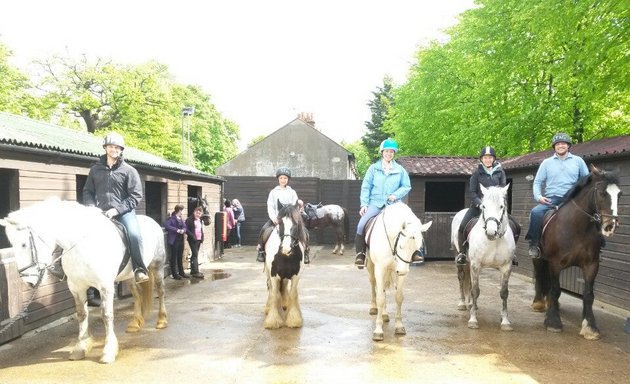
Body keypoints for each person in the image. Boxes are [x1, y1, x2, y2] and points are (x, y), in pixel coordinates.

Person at [83, 132, 148, 284]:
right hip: (101, 212)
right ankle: (65, 267)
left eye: (118, 148)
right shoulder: (95, 170)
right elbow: (87, 191)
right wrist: (92, 206)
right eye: (112, 147)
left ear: (121, 150)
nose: (114, 150)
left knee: (134, 234)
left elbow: (136, 195)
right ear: (105, 148)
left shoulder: (129, 171)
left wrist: (117, 210)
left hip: (124, 212)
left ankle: (139, 269)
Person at [354, 138, 421, 269]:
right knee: (361, 225)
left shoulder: (400, 170)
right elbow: (366, 186)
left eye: (391, 152)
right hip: (375, 203)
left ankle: (415, 252)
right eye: (387, 151)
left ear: (394, 154)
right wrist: (364, 204)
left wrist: (395, 195)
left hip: (394, 204)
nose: (389, 154)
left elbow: (406, 186)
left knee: (413, 222)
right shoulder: (373, 169)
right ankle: (360, 254)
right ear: (382, 152)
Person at [525, 132, 589, 259]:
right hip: (552, 199)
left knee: (592, 213)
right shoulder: (546, 163)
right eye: (558, 144)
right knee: (535, 213)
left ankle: (595, 246)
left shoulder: (578, 161)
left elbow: (586, 180)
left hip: (572, 199)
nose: (561, 146)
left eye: (563, 144)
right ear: (554, 147)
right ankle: (534, 244)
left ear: (568, 146)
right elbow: (537, 182)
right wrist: (539, 197)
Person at [455, 146, 521, 265]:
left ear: (493, 159)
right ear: (481, 159)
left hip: (495, 209)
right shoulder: (476, 174)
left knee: (516, 226)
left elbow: (502, 190)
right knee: (462, 226)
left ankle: (512, 253)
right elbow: (473, 192)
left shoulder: (500, 172)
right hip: (478, 207)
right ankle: (462, 253)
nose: (487, 160)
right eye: (485, 157)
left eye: (490, 157)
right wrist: (479, 204)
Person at [256, 167, 309, 264]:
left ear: (288, 179)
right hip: (277, 218)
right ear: (278, 179)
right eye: (281, 178)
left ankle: (305, 251)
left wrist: (294, 217)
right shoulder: (273, 192)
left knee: (304, 231)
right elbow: (270, 206)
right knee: (264, 229)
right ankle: (261, 251)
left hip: (290, 219)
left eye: (285, 178)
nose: (283, 180)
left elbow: (295, 205)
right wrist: (273, 218)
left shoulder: (292, 192)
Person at [164, 204, 188, 280]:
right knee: (174, 257)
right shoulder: (171, 219)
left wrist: (183, 230)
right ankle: (174, 274)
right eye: (183, 210)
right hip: (174, 240)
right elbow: (166, 225)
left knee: (180, 256)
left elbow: (185, 227)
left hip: (181, 239)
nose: (183, 212)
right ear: (180, 210)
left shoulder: (181, 218)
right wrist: (177, 230)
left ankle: (181, 272)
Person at [185, 206, 205, 278]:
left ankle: (192, 271)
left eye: (199, 213)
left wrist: (202, 237)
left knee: (194, 255)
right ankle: (196, 272)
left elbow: (201, 230)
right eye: (197, 212)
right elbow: (186, 229)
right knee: (195, 255)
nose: (198, 214)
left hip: (199, 240)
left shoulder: (199, 220)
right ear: (194, 212)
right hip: (193, 240)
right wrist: (192, 236)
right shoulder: (189, 220)